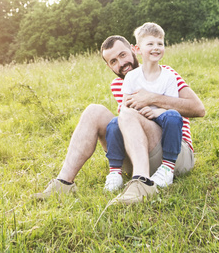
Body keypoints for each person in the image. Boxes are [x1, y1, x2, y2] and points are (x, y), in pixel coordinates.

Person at [35, 34, 205, 205]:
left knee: (128, 113)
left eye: (123, 55)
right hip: (139, 156)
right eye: (113, 61)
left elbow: (198, 109)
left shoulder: (164, 73)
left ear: (134, 49)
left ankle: (142, 183)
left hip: (174, 155)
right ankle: (63, 183)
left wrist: (152, 98)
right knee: (94, 111)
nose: (121, 64)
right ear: (108, 66)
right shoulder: (118, 84)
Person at [107, 22, 185, 194]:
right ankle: (115, 172)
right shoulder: (132, 77)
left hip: (161, 119)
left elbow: (172, 106)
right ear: (138, 49)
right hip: (138, 117)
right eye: (150, 44)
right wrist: (141, 111)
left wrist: (156, 111)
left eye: (160, 44)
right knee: (113, 123)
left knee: (173, 116)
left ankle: (168, 167)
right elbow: (126, 106)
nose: (156, 48)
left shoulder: (169, 76)